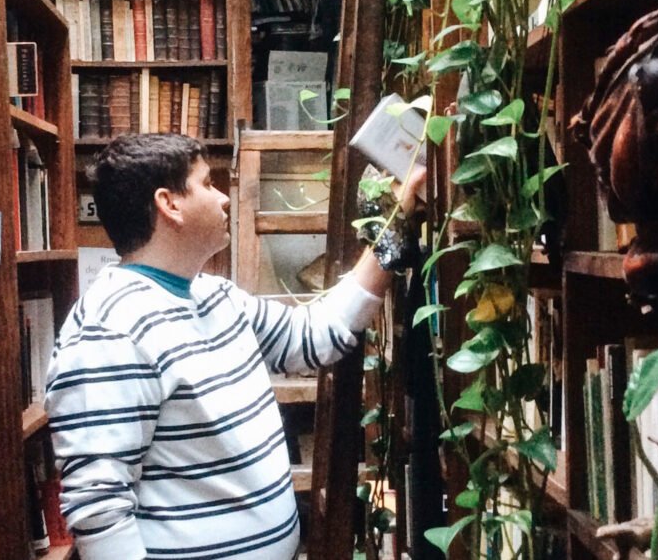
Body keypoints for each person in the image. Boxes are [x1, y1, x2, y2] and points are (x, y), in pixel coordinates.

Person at [45, 133, 423, 560]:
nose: (224, 198)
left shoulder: (215, 296)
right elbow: (99, 507)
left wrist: (392, 230)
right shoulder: (109, 331)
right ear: (169, 204)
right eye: (207, 184)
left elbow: (314, 335)